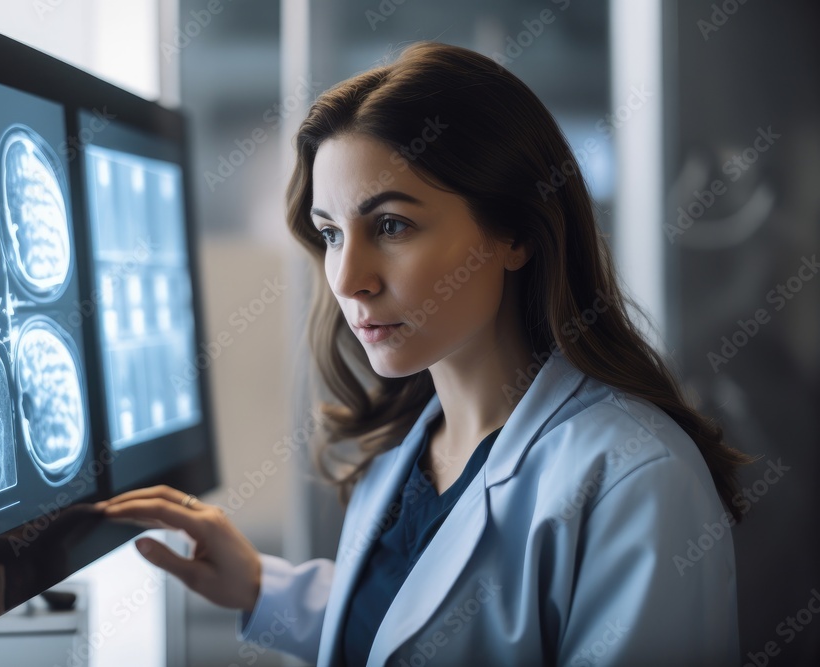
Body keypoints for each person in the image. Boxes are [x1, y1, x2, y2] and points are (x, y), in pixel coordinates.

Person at [97, 41, 750, 666]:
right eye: (330, 233)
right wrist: (259, 588)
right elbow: (413, 626)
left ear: (516, 233)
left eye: (392, 226)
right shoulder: (409, 443)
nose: (349, 277)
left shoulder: (636, 477)